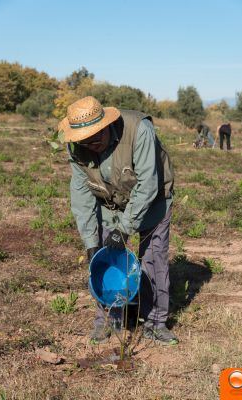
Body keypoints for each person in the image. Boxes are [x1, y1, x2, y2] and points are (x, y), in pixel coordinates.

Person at [58, 96, 178, 346]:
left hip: (153, 200)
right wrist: (91, 243)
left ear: (106, 126)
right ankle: (108, 319)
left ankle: (155, 323)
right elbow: (81, 196)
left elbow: (147, 185)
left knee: (153, 260)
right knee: (103, 260)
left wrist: (124, 229)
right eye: (84, 141)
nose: (90, 145)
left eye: (95, 138)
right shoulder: (76, 147)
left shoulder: (139, 129)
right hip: (109, 204)